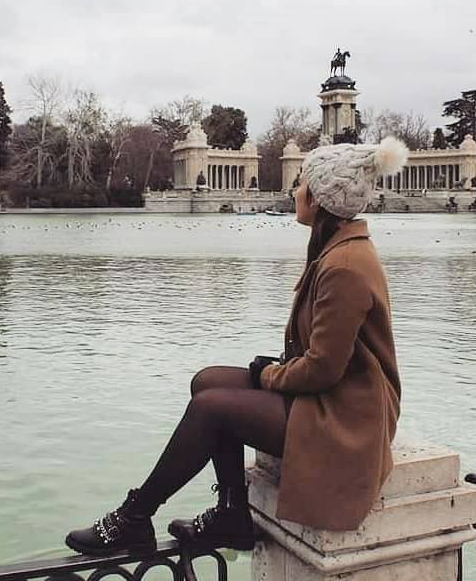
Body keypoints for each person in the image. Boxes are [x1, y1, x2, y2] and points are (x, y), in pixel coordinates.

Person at [64, 136, 408, 556]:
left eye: (300, 184)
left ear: (318, 200)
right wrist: (274, 370)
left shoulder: (345, 265)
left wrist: (269, 375)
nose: (294, 191)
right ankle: (232, 511)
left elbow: (323, 369)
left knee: (213, 409)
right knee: (206, 382)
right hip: (337, 398)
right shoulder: (337, 250)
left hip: (348, 417)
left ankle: (135, 515)